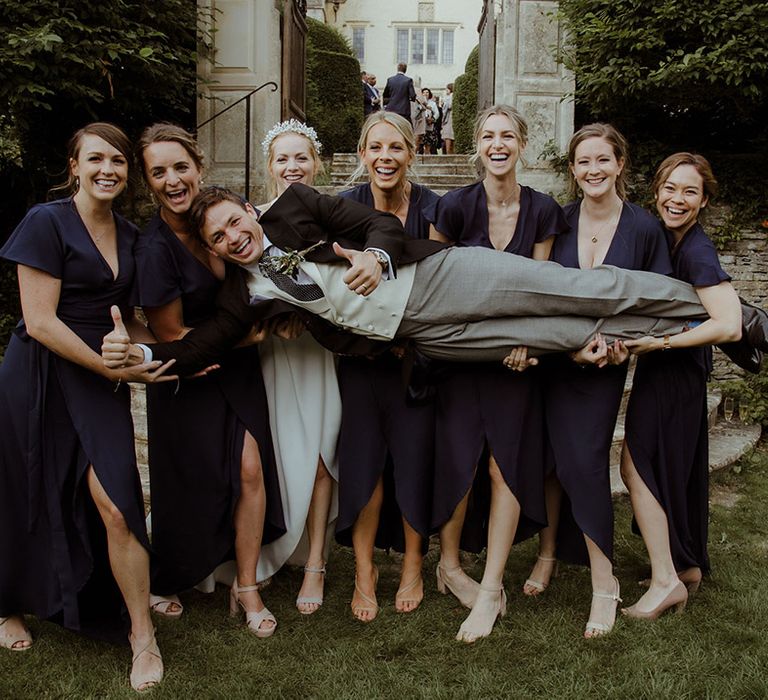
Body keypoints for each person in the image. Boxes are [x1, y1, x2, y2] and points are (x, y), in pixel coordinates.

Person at [103, 180, 759, 380]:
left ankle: (733, 315)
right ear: (215, 247)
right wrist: (147, 355)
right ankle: (698, 327)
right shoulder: (243, 294)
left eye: (232, 223)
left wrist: (374, 258)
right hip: (418, 336)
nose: (232, 237)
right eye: (217, 238)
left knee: (582, 289)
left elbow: (380, 226)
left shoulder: (298, 206)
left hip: (442, 278)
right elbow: (205, 344)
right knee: (564, 330)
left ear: (248, 211)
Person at [0, 123, 175, 692]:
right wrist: (114, 369)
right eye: (95, 159)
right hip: (40, 375)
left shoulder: (129, 234)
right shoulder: (45, 222)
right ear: (73, 165)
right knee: (27, 487)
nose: (108, 169)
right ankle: (8, 605)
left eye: (118, 161)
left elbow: (130, 320)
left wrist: (149, 350)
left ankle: (140, 634)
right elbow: (40, 320)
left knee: (119, 501)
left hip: (100, 381)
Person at [520, 123, 674, 639]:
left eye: (602, 160)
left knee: (584, 464)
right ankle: (547, 555)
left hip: (604, 370)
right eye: (583, 162)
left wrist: (624, 344)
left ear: (620, 164)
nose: (593, 170)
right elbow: (537, 294)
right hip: (555, 363)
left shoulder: (644, 229)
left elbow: (658, 301)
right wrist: (564, 347)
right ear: (572, 169)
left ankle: (604, 582)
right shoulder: (557, 223)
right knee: (546, 462)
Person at [133, 122, 285, 635]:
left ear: (198, 165)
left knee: (249, 469)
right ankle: (168, 573)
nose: (173, 180)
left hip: (238, 370)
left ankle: (246, 586)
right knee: (191, 481)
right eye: (159, 173)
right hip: (188, 375)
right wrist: (243, 334)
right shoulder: (154, 249)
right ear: (147, 181)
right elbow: (172, 333)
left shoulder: (222, 213)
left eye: (180, 167)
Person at [429, 105, 569, 642]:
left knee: (503, 466)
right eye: (488, 135)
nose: (497, 144)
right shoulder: (454, 206)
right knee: (461, 464)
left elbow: (540, 288)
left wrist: (525, 342)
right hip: (462, 359)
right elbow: (434, 283)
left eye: (507, 135)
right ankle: (449, 567)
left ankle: (490, 588)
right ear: (476, 145)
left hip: (515, 362)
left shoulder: (543, 210)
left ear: (522, 144)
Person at [619, 153, 741, 619]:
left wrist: (663, 343)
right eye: (671, 188)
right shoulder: (668, 240)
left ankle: (666, 581)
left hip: (676, 374)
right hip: (670, 370)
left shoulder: (696, 250)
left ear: (704, 199)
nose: (677, 199)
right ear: (657, 191)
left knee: (636, 467)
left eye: (690, 191)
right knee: (670, 468)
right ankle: (684, 564)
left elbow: (728, 324)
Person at [336, 111, 440, 620]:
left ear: (411, 154)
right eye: (375, 148)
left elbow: (444, 283)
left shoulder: (432, 208)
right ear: (362, 155)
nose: (385, 158)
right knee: (364, 465)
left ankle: (414, 564)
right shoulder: (344, 207)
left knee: (415, 459)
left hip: (415, 362)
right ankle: (363, 571)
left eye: (395, 148)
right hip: (359, 361)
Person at [255, 119, 341, 614]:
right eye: (283, 159)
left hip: (321, 352)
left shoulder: (333, 218)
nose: (292, 167)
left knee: (323, 450)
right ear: (270, 167)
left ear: (316, 164)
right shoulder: (252, 220)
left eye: (301, 158)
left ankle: (315, 563)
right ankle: (266, 549)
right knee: (278, 448)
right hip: (272, 351)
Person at [419, 88, 440, 155]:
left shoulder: (432, 103)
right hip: (420, 125)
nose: (425, 94)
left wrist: (432, 119)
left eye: (427, 92)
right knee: (419, 143)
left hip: (429, 125)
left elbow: (437, 113)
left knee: (428, 143)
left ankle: (427, 155)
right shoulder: (419, 103)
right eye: (424, 92)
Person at [441, 84, 455, 154]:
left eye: (447, 89)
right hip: (449, 116)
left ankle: (448, 153)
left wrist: (444, 104)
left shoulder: (451, 96)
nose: (446, 90)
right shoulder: (449, 96)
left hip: (449, 117)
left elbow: (449, 105)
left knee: (448, 136)